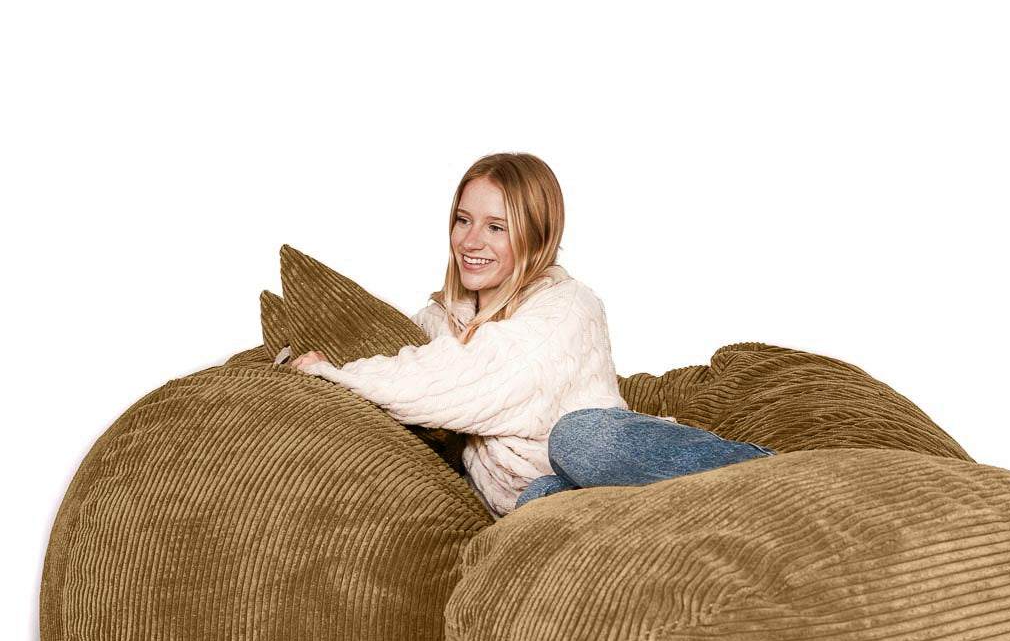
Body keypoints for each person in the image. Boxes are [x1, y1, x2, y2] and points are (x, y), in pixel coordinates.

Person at [288, 152, 775, 519]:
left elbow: (469, 376)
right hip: (554, 498)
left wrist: (335, 374)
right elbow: (412, 368)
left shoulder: (568, 306)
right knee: (538, 503)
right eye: (464, 220)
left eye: (496, 227)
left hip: (614, 468)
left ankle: (773, 477)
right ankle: (671, 523)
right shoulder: (440, 321)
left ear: (536, 237)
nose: (471, 241)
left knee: (580, 438)